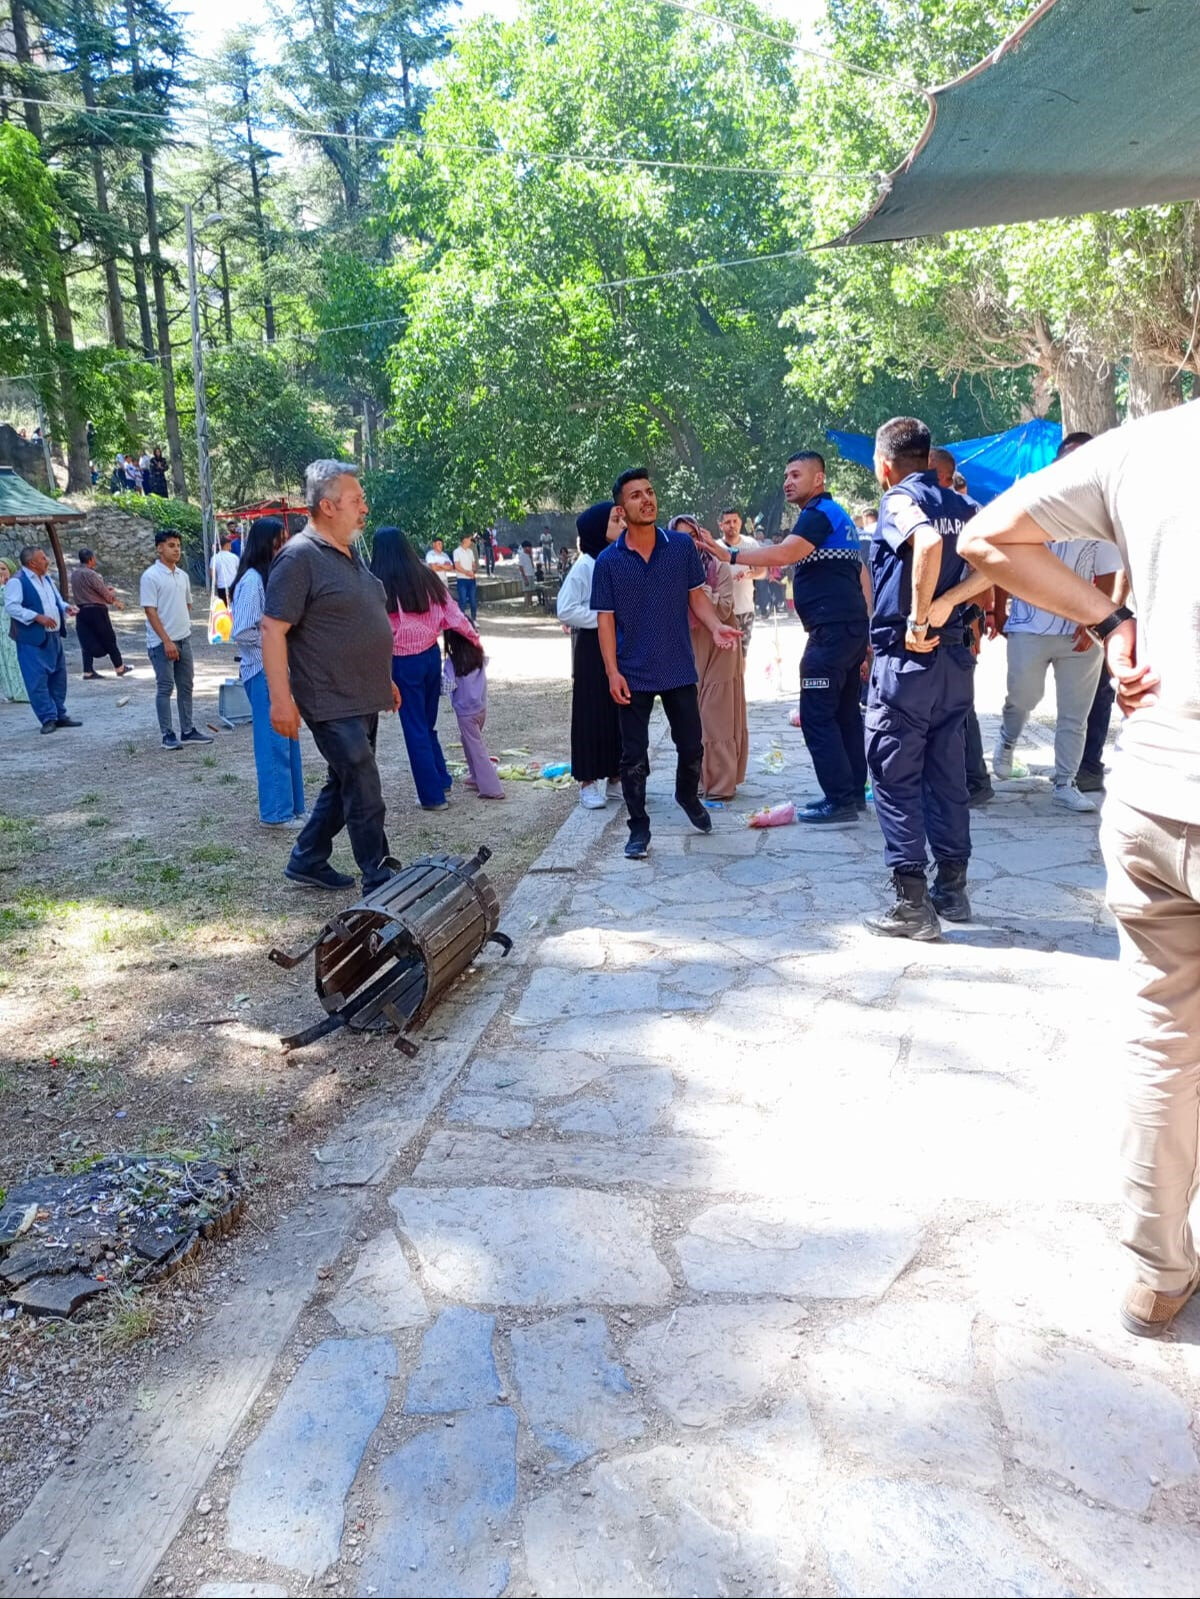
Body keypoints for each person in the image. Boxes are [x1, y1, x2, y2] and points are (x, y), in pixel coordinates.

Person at [956, 401, 1200, 1338]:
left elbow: (991, 536)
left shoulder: (1145, 444)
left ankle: (1156, 1272)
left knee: (1162, 1041)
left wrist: (1113, 616)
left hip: (1155, 794)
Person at [860, 417, 979, 938]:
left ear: (885, 466)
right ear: (930, 458)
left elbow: (926, 545)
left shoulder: (897, 501)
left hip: (909, 660)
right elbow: (1001, 558)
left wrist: (919, 614)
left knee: (895, 774)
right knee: (947, 774)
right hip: (954, 661)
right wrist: (951, 602)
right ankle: (952, 890)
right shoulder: (960, 503)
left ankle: (911, 904)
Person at [703, 451, 870, 824]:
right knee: (844, 713)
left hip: (831, 633)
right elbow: (860, 574)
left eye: (796, 474)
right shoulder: (836, 517)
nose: (788, 482)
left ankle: (840, 800)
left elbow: (783, 553)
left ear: (819, 479)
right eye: (786, 476)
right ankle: (852, 793)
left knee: (816, 715)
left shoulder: (818, 515)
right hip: (847, 629)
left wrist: (729, 554)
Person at [262, 460, 399, 891]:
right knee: (362, 781)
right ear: (327, 506)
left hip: (363, 693)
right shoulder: (298, 558)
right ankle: (379, 876)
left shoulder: (348, 553)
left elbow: (357, 619)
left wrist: (384, 676)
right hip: (329, 697)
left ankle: (307, 857)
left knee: (346, 780)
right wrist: (281, 699)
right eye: (356, 501)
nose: (365, 509)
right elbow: (272, 628)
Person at [591, 468, 741, 860]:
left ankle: (686, 795)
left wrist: (716, 626)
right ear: (622, 509)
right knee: (633, 757)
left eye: (650, 492)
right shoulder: (609, 561)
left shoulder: (679, 548)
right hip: (633, 672)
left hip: (677, 666)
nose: (647, 499)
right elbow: (604, 620)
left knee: (692, 746)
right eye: (636, 495)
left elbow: (697, 598)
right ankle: (638, 827)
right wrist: (611, 671)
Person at [989, 433, 1124, 813]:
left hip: (1081, 633)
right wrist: (998, 609)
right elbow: (1001, 556)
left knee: (1074, 713)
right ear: (1058, 461)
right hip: (1030, 625)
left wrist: (1099, 619)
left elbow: (1109, 573)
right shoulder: (1031, 499)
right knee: (1023, 697)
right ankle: (1007, 740)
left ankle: (1064, 782)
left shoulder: (1103, 512)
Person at [370, 525, 480, 811]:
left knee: (415, 729)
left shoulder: (376, 586)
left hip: (402, 664)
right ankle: (440, 778)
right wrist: (475, 641)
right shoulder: (427, 577)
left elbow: (371, 631)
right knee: (426, 725)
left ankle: (433, 796)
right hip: (431, 658)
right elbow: (454, 615)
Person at [231, 517, 305, 827]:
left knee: (289, 738)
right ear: (266, 545)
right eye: (279, 542)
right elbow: (243, 631)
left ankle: (293, 807)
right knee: (273, 740)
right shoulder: (251, 581)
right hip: (261, 670)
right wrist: (275, 640)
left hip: (278, 669)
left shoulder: (269, 578)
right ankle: (276, 813)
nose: (284, 547)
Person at [930, 448, 992, 807]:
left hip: (960, 622)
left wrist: (976, 622)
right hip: (947, 621)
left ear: (940, 475)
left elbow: (987, 573)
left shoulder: (969, 512)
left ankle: (975, 780)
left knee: (959, 706)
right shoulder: (933, 509)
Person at [671, 515, 747, 801]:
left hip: (721, 645)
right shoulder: (668, 572)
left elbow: (726, 608)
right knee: (694, 717)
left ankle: (720, 783)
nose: (688, 542)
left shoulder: (718, 567)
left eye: (692, 535)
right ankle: (699, 780)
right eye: (680, 537)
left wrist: (700, 592)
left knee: (716, 715)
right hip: (688, 648)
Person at [557, 501, 624, 810]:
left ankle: (615, 776)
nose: (622, 525)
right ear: (599, 528)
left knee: (618, 712)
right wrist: (604, 617)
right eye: (615, 520)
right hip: (593, 650)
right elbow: (566, 608)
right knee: (591, 712)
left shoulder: (619, 558)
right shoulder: (586, 565)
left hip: (619, 646)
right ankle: (587, 782)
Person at [140, 529, 212, 751]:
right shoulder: (151, 576)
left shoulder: (182, 576)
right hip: (162, 643)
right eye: (171, 545)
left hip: (184, 638)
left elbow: (187, 604)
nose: (177, 549)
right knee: (165, 687)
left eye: (178, 545)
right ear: (159, 548)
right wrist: (167, 640)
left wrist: (181, 629)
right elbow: (150, 611)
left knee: (186, 685)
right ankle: (167, 734)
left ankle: (187, 730)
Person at [3, 548, 80, 731]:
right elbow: (12, 607)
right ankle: (47, 718)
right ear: (32, 563)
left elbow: (55, 600)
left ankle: (59, 713)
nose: (47, 560)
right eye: (43, 558)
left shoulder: (46, 578)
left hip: (52, 634)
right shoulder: (17, 581)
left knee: (58, 676)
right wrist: (37, 616)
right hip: (32, 638)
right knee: (36, 679)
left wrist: (66, 607)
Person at [443, 628, 503, 799]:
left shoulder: (453, 662)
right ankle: (476, 776)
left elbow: (447, 685)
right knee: (470, 743)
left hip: (465, 713)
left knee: (476, 748)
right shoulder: (478, 656)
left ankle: (492, 788)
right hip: (480, 709)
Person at [70, 549, 131, 679]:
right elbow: (101, 591)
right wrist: (114, 600)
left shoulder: (74, 574)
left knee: (85, 641)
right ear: (91, 559)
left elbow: (87, 591)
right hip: (96, 610)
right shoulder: (91, 574)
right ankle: (119, 667)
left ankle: (88, 671)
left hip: (81, 610)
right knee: (109, 638)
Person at [718, 508, 757, 662]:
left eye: (735, 521)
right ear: (721, 525)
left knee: (742, 656)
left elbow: (762, 572)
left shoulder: (751, 544)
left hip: (746, 610)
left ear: (740, 522)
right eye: (727, 522)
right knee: (725, 659)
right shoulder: (715, 548)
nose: (732, 525)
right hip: (723, 612)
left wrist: (750, 574)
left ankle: (740, 686)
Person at [0, 559, 30, 703]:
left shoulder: (15, 586)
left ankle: (22, 691)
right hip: (1, 629)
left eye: (3, 568)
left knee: (14, 658)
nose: (0, 572)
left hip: (12, 628)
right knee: (3, 661)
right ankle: (10, 691)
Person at [452, 533, 478, 623]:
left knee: (473, 600)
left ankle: (474, 619)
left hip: (471, 579)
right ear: (464, 540)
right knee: (462, 600)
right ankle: (461, 620)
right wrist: (467, 573)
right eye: (470, 539)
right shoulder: (456, 552)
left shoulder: (470, 551)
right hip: (462, 579)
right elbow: (457, 566)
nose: (471, 541)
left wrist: (473, 571)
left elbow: (473, 564)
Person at [211, 533, 239, 607]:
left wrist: (217, 583)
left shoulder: (214, 558)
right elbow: (239, 571)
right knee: (234, 607)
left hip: (221, 586)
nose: (231, 546)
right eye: (230, 544)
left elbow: (212, 574)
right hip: (234, 585)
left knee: (224, 607)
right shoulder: (234, 557)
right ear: (227, 545)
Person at [517, 541, 536, 607]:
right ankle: (526, 605)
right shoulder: (522, 555)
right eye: (529, 547)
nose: (530, 549)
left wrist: (531, 558)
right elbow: (520, 567)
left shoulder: (530, 555)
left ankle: (530, 604)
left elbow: (532, 566)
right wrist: (525, 578)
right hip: (526, 575)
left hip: (531, 574)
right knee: (526, 592)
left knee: (530, 591)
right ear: (525, 548)